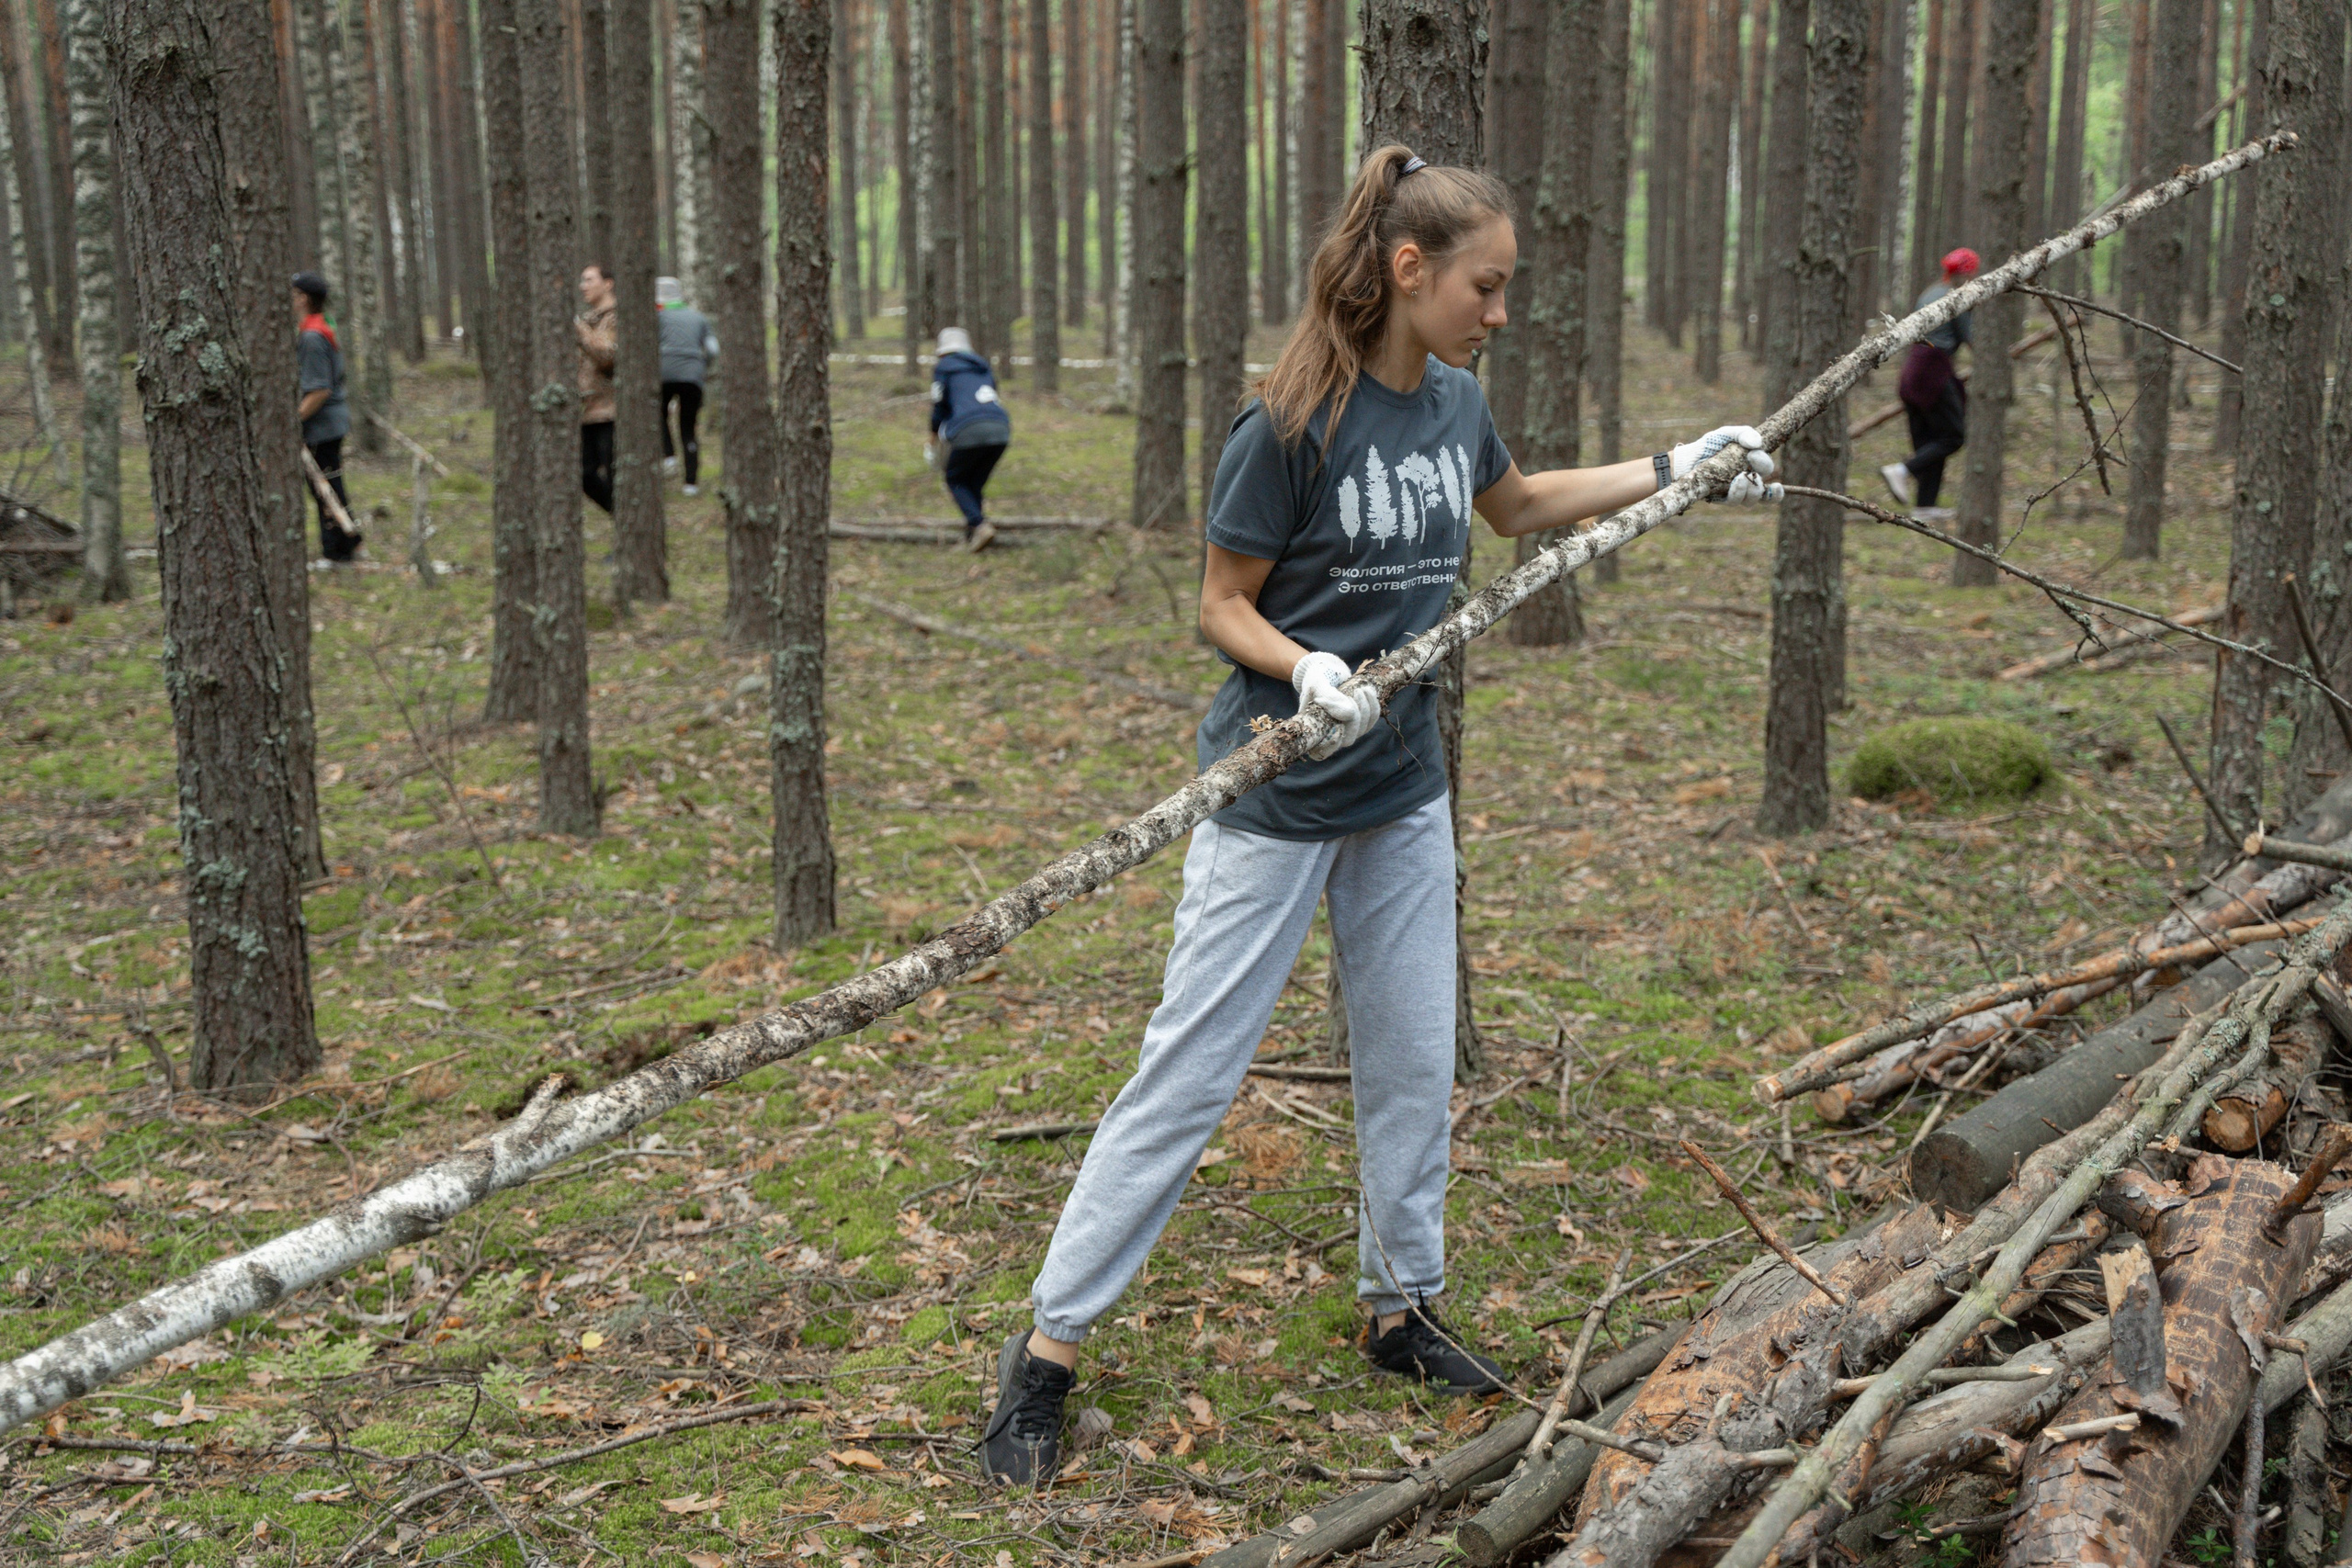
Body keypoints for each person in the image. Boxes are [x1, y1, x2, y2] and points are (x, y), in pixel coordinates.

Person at [977, 146, 1781, 1487]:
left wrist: (1675, 465)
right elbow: (1221, 599)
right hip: (1276, 797)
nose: (1500, 308)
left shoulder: (1456, 404)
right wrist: (1300, 667)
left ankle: (1399, 1307)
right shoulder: (1288, 420)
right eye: (1487, 283)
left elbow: (1519, 510)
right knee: (1190, 1071)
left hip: (1402, 793)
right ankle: (1048, 1353)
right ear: (1410, 271)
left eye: (1506, 286)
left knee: (1412, 1057)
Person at [1883, 247, 1979, 520]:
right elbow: (1969, 338)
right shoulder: (1956, 296)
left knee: (1931, 441)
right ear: (1967, 273)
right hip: (1934, 372)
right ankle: (1902, 471)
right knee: (1953, 436)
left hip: (1911, 372)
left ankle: (1925, 506)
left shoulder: (1929, 293)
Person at [292, 271, 362, 562]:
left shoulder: (311, 336)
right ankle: (348, 541)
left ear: (304, 298)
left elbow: (319, 390)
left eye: (294, 294)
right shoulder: (322, 326)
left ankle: (338, 551)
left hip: (322, 426)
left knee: (326, 489)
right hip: (331, 423)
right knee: (330, 485)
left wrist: (293, 421)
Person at [928, 327, 1011, 551]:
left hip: (968, 429)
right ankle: (973, 535)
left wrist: (933, 438)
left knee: (955, 479)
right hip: (1001, 428)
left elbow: (939, 407)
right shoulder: (983, 367)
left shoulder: (944, 368)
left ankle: (980, 526)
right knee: (973, 483)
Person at [655, 276, 718, 497]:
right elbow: (712, 349)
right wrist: (703, 368)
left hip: (662, 374)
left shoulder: (657, 317)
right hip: (693, 377)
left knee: (658, 415)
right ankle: (691, 484)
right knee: (688, 428)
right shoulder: (698, 318)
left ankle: (668, 457)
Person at [577, 264, 618, 514]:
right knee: (584, 474)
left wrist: (580, 333)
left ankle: (626, 533)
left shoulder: (616, 317)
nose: (583, 286)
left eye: (589, 280)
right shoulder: (588, 320)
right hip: (588, 411)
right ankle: (620, 519)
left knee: (616, 476)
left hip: (612, 411)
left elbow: (607, 356)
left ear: (607, 283)